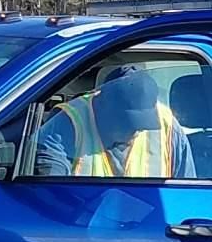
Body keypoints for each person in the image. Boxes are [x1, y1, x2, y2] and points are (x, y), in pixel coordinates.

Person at [32, 67, 193, 179]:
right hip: (83, 224)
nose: (134, 132)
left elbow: (188, 194)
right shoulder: (69, 122)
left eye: (142, 125)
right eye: (126, 123)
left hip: (150, 225)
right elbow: (49, 191)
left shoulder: (168, 126)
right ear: (100, 105)